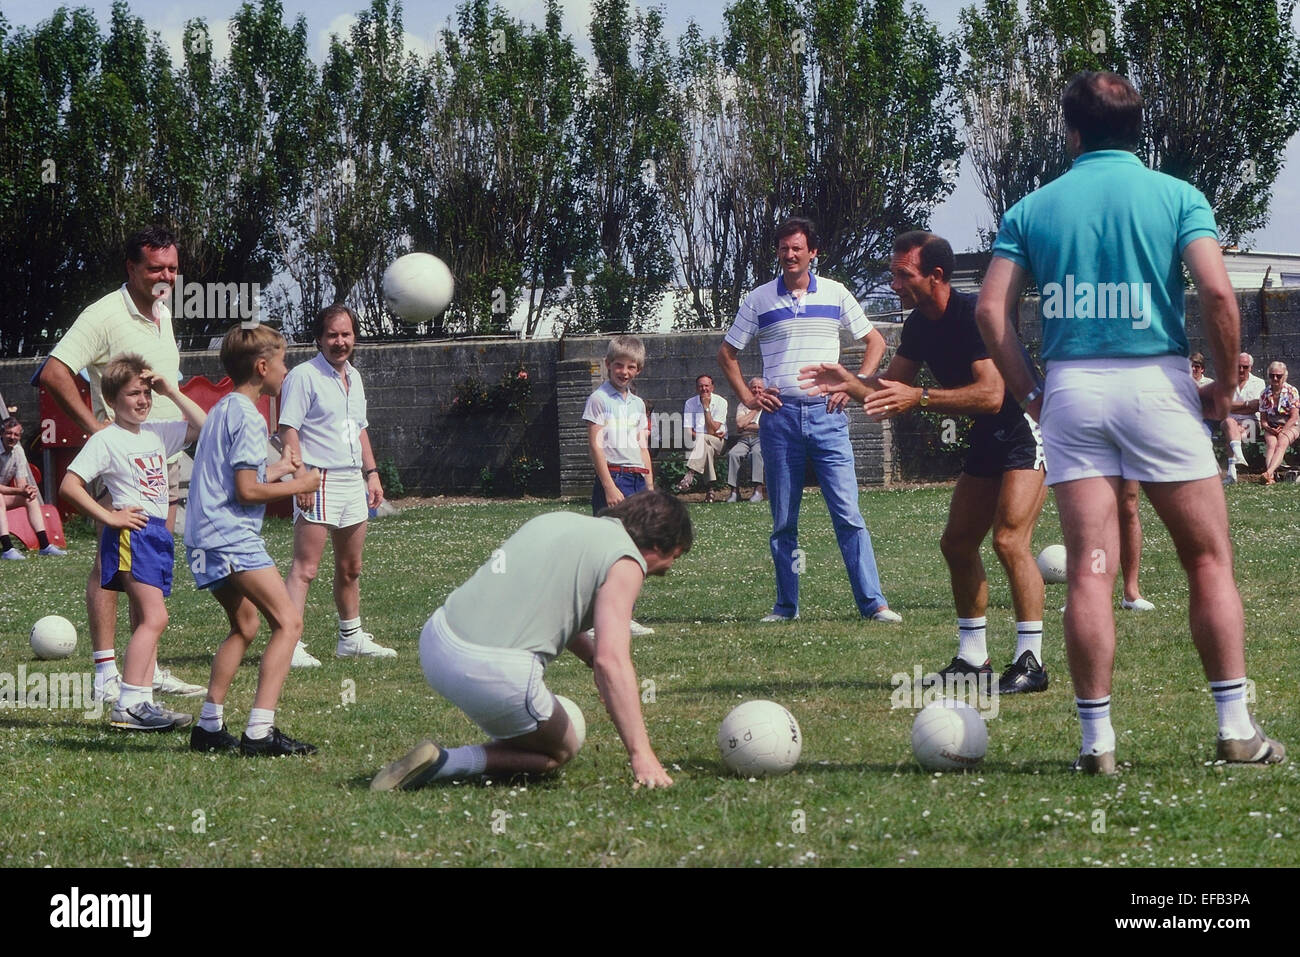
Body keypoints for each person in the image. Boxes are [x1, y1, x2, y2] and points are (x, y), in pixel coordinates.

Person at [975, 70, 1283, 772]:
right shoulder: (1177, 196)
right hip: (1158, 384)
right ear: (1137, 130)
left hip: (1074, 391)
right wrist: (1226, 385)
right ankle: (1235, 728)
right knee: (1207, 559)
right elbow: (1215, 292)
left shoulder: (1034, 206)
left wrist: (1029, 393)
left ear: (1073, 131)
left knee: (1089, 569)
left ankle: (1097, 744)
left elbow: (991, 312)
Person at [800, 231, 1047, 692]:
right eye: (892, 273)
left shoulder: (974, 315)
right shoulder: (918, 325)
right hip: (989, 438)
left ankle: (1030, 662)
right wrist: (849, 381)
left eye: (902, 274)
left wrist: (921, 397)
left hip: (1024, 429)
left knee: (1010, 540)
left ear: (935, 276)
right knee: (956, 544)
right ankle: (974, 661)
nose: (893, 284)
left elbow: (993, 395)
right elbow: (892, 388)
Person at [370, 490, 691, 791]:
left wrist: (591, 659)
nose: (668, 568)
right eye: (674, 557)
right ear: (658, 546)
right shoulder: (627, 561)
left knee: (537, 729)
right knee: (559, 750)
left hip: (436, 641)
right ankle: (447, 762)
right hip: (489, 673)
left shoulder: (558, 521)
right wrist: (641, 754)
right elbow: (613, 661)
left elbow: (555, 605)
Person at [39, 225, 204, 700]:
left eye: (172, 268)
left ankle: (144, 667)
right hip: (122, 462)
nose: (165, 276)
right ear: (131, 267)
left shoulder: (163, 309)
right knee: (110, 564)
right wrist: (98, 430)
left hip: (164, 452)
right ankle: (106, 673)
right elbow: (54, 371)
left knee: (147, 564)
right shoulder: (104, 314)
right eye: (155, 268)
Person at [717, 216, 900, 623]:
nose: (790, 255)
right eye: (783, 249)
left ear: (813, 252)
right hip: (779, 420)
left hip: (827, 417)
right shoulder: (758, 299)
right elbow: (727, 354)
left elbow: (875, 341)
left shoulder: (835, 293)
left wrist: (852, 384)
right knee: (783, 520)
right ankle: (786, 607)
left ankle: (874, 605)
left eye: (797, 248)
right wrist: (748, 396)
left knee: (848, 515)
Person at [186, 324, 322, 756]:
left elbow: (236, 478)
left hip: (203, 538)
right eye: (282, 361)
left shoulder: (225, 408)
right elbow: (246, 491)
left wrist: (280, 470)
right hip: (230, 537)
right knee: (289, 622)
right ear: (263, 367)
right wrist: (304, 483)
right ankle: (259, 732)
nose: (287, 369)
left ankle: (208, 727)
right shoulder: (247, 416)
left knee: (245, 625)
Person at [59, 355, 207, 731]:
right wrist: (110, 516)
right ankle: (129, 704)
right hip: (132, 535)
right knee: (155, 617)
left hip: (156, 533)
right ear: (113, 400)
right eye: (132, 394)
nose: (142, 400)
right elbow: (69, 484)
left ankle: (141, 701)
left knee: (151, 618)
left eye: (145, 392)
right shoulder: (107, 439)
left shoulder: (157, 432)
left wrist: (170, 390)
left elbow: (206, 427)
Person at [279, 305, 395, 667]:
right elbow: (289, 429)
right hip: (318, 478)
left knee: (351, 567)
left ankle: (351, 638)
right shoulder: (303, 376)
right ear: (319, 338)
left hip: (350, 479)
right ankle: (290, 644)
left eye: (346, 335)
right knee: (306, 568)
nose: (340, 342)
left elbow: (359, 428)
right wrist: (300, 478)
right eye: (332, 335)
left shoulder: (354, 377)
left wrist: (371, 473)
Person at [582, 335, 655, 636]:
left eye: (631, 367)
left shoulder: (637, 404)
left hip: (637, 477)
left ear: (638, 370)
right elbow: (596, 447)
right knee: (608, 551)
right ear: (608, 365)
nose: (624, 372)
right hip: (614, 477)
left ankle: (624, 615)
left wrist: (650, 486)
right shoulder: (599, 399)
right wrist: (610, 486)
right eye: (619, 366)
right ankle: (591, 621)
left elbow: (642, 447)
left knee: (634, 550)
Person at [0, 418, 66, 558]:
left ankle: (45, 545)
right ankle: (7, 549)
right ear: (2, 433)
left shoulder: (18, 451)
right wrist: (20, 491)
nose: (12, 437)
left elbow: (21, 483)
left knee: (31, 498)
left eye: (16, 435)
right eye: (9, 433)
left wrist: (28, 490)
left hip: (3, 494)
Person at [676, 374, 728, 501]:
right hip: (701, 444)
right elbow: (688, 432)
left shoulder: (721, 402)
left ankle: (690, 473)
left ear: (712, 387)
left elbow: (712, 429)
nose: (704, 389)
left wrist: (706, 407)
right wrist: (704, 435)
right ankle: (710, 490)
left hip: (719, 442)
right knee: (706, 448)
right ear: (696, 388)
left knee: (703, 439)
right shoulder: (690, 403)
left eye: (706, 386)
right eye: (701, 386)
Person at [1222, 353, 1265, 483]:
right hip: (1230, 421)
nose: (1241, 370)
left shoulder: (1258, 382)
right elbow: (1223, 406)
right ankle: (1239, 457)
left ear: (1250, 367)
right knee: (1230, 423)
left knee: (1232, 433)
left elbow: (1256, 406)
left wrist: (1233, 406)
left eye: (1245, 367)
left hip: (1250, 423)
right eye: (1238, 366)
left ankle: (1232, 473)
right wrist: (1246, 404)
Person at [726, 376, 767, 502]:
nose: (756, 390)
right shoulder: (743, 405)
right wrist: (755, 410)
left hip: (761, 439)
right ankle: (734, 492)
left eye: (759, 387)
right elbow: (739, 425)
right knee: (733, 454)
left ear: (764, 390)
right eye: (754, 387)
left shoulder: (768, 405)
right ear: (749, 389)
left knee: (757, 453)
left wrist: (747, 425)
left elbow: (764, 427)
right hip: (743, 440)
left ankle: (758, 490)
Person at [1258, 361, 1299, 484]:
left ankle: (1268, 473)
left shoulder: (1292, 391)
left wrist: (1284, 430)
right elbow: (1263, 419)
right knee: (1271, 444)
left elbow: (1294, 416)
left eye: (1278, 376)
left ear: (1285, 376)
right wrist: (1268, 428)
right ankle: (1270, 476)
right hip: (1272, 425)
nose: (1275, 378)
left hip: (1291, 424)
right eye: (1272, 375)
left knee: (1282, 442)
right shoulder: (1265, 393)